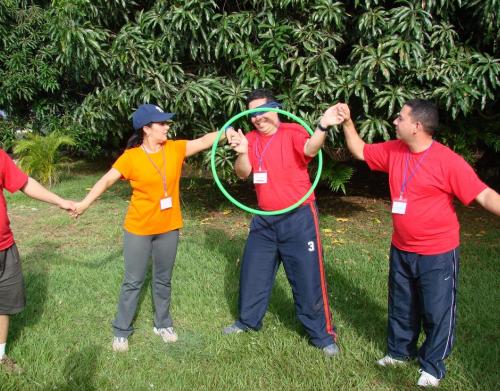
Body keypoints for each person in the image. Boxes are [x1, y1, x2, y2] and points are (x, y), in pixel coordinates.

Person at [335, 99, 500, 386]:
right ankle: (399, 353)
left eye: (401, 118)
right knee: (402, 304)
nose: (395, 122)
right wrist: (347, 122)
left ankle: (433, 367)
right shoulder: (395, 150)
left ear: (417, 126)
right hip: (402, 247)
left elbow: (483, 195)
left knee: (437, 311)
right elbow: (360, 150)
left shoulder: (448, 161)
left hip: (437, 252)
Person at [73, 103, 231, 352]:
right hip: (138, 228)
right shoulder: (131, 157)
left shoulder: (175, 148)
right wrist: (84, 204)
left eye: (167, 123)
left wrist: (226, 133)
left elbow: (202, 141)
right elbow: (106, 180)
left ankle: (163, 324)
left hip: (168, 226)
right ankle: (121, 330)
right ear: (146, 128)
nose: (168, 127)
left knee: (163, 280)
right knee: (133, 281)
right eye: (162, 123)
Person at [224, 88, 342, 357]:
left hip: (298, 215)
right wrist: (242, 152)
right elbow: (243, 174)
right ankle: (247, 321)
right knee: (253, 272)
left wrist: (323, 125)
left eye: (261, 111)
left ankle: (322, 336)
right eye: (252, 113)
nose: (257, 118)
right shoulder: (250, 139)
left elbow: (311, 148)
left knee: (307, 276)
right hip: (264, 219)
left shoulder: (292, 131)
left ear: (275, 108)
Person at [0, 149, 76, 374]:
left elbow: (24, 183)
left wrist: (59, 201)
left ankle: (0, 356)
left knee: (3, 303)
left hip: (5, 245)